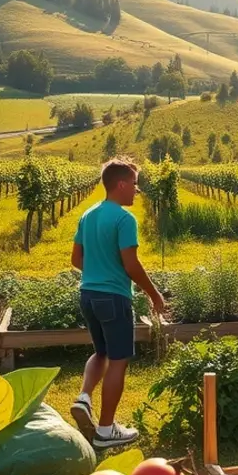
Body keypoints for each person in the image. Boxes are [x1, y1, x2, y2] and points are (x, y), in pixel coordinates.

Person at [70, 158, 164, 449]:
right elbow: (131, 264)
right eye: (134, 184)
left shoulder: (88, 215)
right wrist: (154, 294)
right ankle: (106, 431)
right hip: (113, 297)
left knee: (101, 352)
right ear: (121, 184)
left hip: (88, 294)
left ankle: (84, 398)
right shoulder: (125, 219)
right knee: (119, 360)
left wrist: (98, 271)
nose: (137, 190)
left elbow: (76, 259)